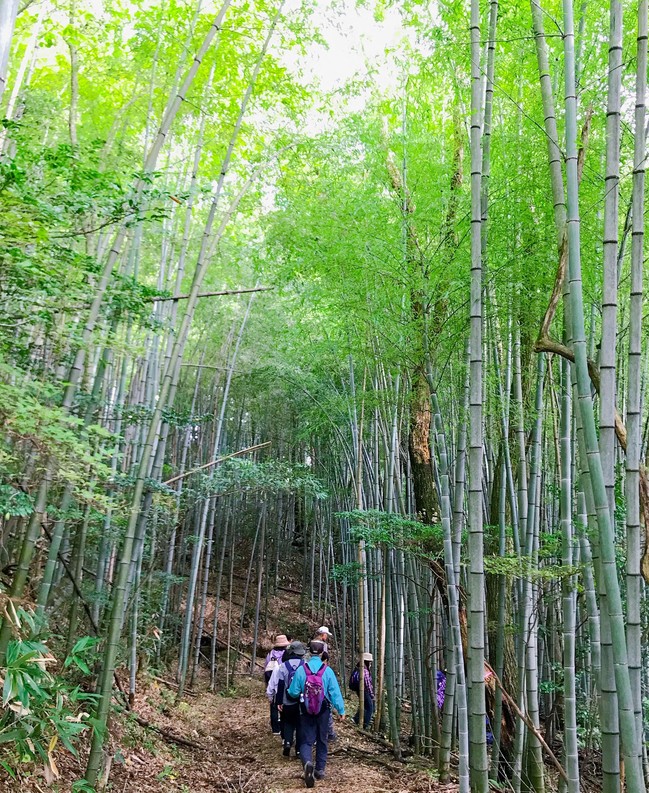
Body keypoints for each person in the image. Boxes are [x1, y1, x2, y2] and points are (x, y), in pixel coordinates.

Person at [288, 639, 345, 788]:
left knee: (306, 740)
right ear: (321, 653)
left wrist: (291, 692)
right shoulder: (327, 671)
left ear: (308, 651)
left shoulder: (302, 669)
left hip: (306, 709)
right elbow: (334, 693)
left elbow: (293, 693)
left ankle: (307, 762)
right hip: (323, 709)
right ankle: (320, 769)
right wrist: (341, 710)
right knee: (322, 739)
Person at [268, 640, 306, 759]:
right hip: (301, 701)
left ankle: (287, 743)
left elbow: (280, 685)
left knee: (288, 722)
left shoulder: (283, 666)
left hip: (287, 700)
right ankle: (299, 749)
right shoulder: (305, 665)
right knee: (300, 725)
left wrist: (279, 701)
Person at [264, 634, 290, 734]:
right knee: (283, 703)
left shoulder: (271, 654)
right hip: (282, 681)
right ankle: (284, 725)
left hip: (272, 680)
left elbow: (266, 667)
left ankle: (275, 729)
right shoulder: (286, 653)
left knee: (273, 705)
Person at [314, 627, 336, 741]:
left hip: (310, 675)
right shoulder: (323, 645)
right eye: (326, 635)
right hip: (322, 675)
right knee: (326, 703)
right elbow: (325, 659)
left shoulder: (311, 643)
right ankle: (329, 733)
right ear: (323, 634)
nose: (326, 637)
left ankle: (315, 733)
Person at [349, 653, 374, 729]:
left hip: (359, 690)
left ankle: (356, 719)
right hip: (364, 690)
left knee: (365, 705)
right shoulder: (365, 671)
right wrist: (372, 695)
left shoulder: (358, 667)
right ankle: (365, 725)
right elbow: (368, 684)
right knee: (370, 707)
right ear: (367, 661)